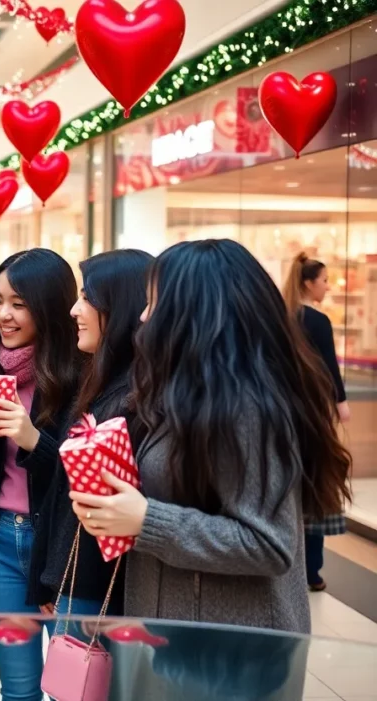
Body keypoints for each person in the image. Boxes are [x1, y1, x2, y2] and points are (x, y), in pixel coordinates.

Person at [70, 239, 352, 633]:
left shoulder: (249, 407)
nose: (144, 316)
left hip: (232, 651)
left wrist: (146, 519)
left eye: (154, 303)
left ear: (191, 312)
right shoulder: (179, 395)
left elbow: (269, 544)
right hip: (173, 636)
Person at [0, 249, 84, 699]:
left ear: (48, 307)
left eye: (18, 304)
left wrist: (33, 438)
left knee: (71, 686)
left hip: (61, 545)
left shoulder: (82, 375)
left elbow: (83, 475)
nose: (3, 315)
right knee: (18, 687)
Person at [32, 250, 153, 630]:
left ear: (121, 306)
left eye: (87, 297)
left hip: (101, 593)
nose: (74, 309)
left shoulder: (135, 399)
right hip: (76, 583)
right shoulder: (97, 382)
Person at [282, 251, 351, 592]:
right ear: (309, 283)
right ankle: (312, 571)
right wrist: (341, 402)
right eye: (324, 280)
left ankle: (290, 567)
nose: (327, 286)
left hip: (282, 415)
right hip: (312, 416)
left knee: (290, 487)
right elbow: (329, 369)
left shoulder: (280, 316)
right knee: (317, 487)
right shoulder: (317, 321)